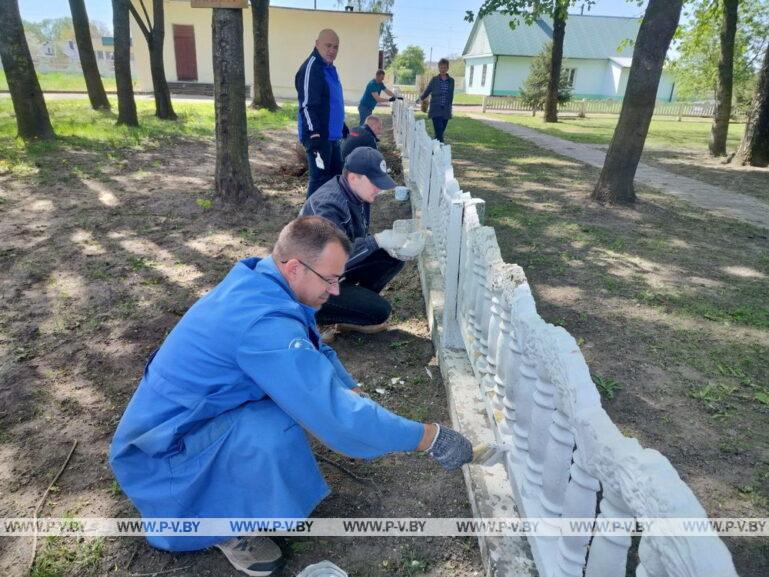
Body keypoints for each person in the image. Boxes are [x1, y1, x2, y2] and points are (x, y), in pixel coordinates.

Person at [109, 216, 472, 576]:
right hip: (163, 458)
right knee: (276, 424)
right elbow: (334, 413)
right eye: (329, 280)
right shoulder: (263, 325)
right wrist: (428, 437)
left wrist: (348, 386)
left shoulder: (264, 281)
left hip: (182, 426)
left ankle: (239, 487)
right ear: (296, 267)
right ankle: (221, 525)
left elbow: (311, 343)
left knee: (289, 404)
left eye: (338, 279)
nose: (335, 291)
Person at [299, 147, 426, 337]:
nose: (380, 188)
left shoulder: (357, 195)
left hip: (331, 275)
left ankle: (349, 311)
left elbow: (352, 243)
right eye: (375, 182)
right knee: (379, 311)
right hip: (310, 285)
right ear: (353, 178)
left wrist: (387, 244)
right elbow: (331, 260)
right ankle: (319, 316)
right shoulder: (328, 206)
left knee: (391, 255)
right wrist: (377, 240)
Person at [295, 29, 348, 197]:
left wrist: (342, 127)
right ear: (317, 44)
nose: (332, 50)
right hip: (318, 137)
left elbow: (331, 103)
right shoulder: (312, 68)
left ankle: (328, 218)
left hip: (332, 137)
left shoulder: (330, 69)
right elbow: (307, 105)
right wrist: (314, 134)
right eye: (328, 45)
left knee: (335, 180)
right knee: (319, 182)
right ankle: (307, 222)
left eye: (336, 47)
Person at [417, 58, 455, 143]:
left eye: (445, 67)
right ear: (439, 68)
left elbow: (451, 95)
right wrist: (420, 98)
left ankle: (434, 148)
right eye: (441, 67)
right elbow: (427, 90)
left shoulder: (451, 81)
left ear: (447, 68)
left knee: (440, 132)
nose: (443, 69)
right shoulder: (434, 80)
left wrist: (450, 108)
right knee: (439, 132)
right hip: (436, 109)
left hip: (446, 110)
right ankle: (441, 148)